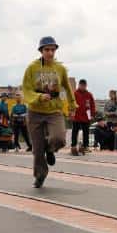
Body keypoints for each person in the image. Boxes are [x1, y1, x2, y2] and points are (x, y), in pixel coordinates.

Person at [22, 36, 76, 188]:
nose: (50, 53)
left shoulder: (60, 69)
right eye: (47, 50)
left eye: (53, 50)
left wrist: (72, 105)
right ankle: (40, 176)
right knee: (37, 150)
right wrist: (39, 96)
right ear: (41, 51)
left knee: (59, 138)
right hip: (35, 112)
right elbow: (26, 89)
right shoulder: (32, 68)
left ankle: (51, 148)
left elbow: (67, 87)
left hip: (54, 110)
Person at [71, 79, 96, 155]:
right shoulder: (74, 93)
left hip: (86, 116)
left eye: (84, 86)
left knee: (86, 132)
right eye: (81, 85)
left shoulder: (89, 94)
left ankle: (86, 146)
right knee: (75, 132)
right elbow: (71, 104)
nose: (83, 87)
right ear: (79, 85)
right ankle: (73, 146)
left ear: (86, 86)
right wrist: (71, 113)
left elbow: (92, 105)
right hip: (77, 116)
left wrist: (92, 115)